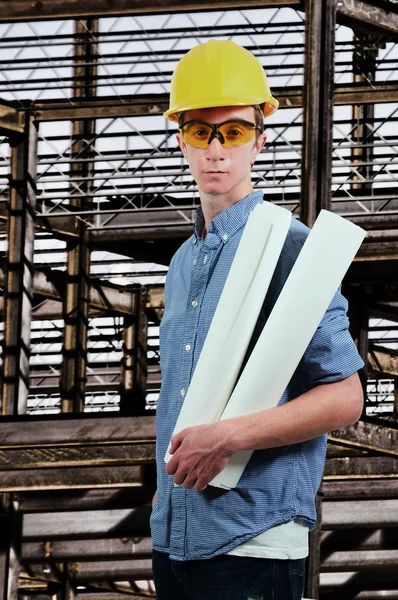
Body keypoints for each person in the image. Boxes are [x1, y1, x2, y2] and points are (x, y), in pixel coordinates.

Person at [150, 39, 364, 600]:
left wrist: (228, 438)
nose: (217, 150)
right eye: (201, 132)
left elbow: (345, 398)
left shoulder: (289, 248)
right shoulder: (181, 263)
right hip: (174, 541)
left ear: (259, 140)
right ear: (181, 140)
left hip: (253, 541)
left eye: (234, 132)